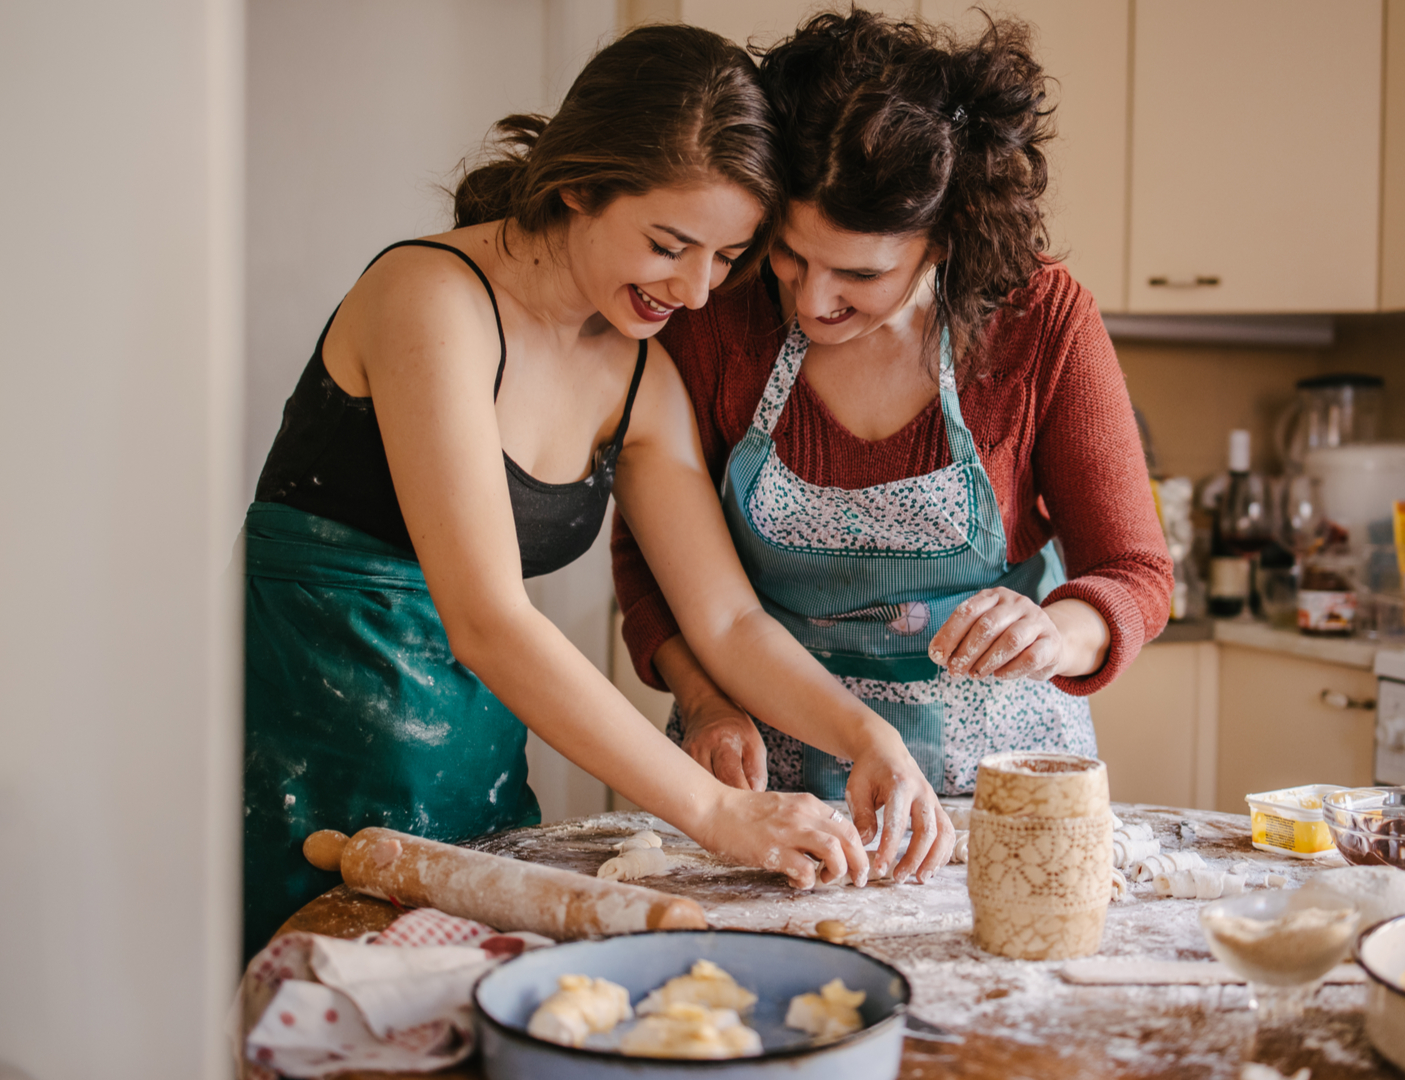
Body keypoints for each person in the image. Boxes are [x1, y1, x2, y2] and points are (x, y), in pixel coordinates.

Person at [242, 24, 949, 963]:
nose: (697, 291)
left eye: (729, 257)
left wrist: (869, 737)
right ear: (578, 183)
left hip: (477, 771)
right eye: (669, 244)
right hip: (307, 760)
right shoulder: (429, 296)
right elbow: (489, 618)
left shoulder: (638, 377)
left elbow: (727, 620)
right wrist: (716, 811)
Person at [611, 11, 1171, 801]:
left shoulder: (1040, 319)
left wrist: (1057, 633)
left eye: (859, 274)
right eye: (789, 253)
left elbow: (1134, 571)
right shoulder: (717, 313)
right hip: (764, 781)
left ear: (944, 237)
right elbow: (649, 556)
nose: (811, 299)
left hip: (996, 783)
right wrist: (704, 703)